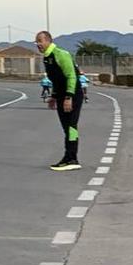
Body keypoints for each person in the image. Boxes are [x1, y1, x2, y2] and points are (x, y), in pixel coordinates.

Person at [38, 30, 83, 170]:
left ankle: (71, 158)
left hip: (73, 94)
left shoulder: (60, 54)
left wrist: (69, 97)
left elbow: (71, 76)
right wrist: (54, 96)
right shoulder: (47, 57)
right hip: (62, 95)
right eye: (36, 41)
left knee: (71, 126)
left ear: (48, 41)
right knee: (67, 127)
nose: (38, 44)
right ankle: (70, 157)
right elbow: (57, 80)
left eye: (40, 41)